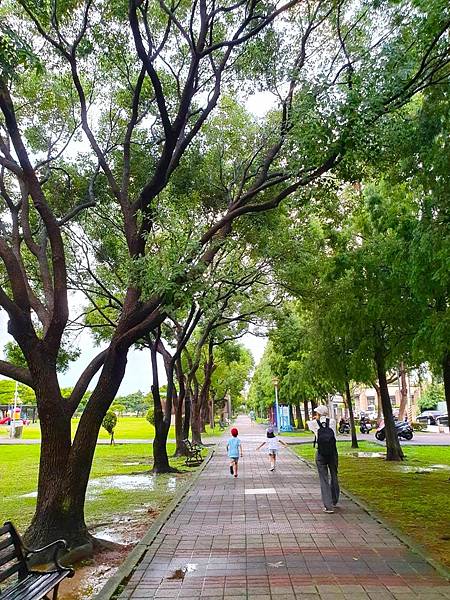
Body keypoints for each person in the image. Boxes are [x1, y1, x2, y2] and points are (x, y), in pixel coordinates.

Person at [307, 405, 340, 513]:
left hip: (321, 453)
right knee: (334, 475)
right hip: (333, 452)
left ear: (319, 414)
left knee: (323, 479)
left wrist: (315, 420)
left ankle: (328, 506)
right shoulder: (333, 422)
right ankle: (334, 500)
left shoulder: (313, 424)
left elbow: (309, 424)